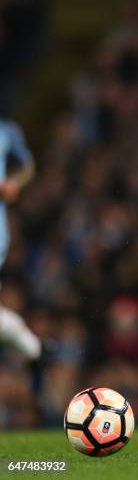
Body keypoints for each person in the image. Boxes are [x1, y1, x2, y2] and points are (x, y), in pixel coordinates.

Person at [0, 118, 43, 384]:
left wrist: (14, 182)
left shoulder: (6, 130)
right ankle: (34, 349)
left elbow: (26, 166)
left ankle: (33, 348)